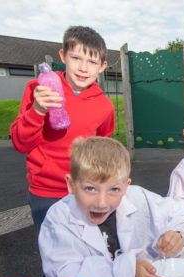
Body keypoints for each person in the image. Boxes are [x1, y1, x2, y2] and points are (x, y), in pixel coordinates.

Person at [39, 136, 184, 277]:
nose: (101, 203)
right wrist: (128, 271)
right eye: (90, 189)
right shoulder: (59, 218)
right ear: (71, 185)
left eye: (113, 190)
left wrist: (177, 233)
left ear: (125, 187)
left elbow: (181, 212)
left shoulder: (138, 197)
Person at [11, 25, 115, 233]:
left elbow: (103, 148)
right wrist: (38, 110)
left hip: (86, 191)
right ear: (63, 56)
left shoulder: (105, 106)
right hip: (46, 192)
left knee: (92, 251)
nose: (83, 68)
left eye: (92, 62)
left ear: (102, 66)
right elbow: (20, 143)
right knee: (55, 256)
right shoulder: (38, 90)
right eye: (76, 58)